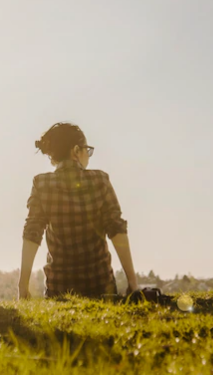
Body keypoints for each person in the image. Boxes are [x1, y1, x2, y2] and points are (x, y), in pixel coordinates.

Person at [18, 123, 138, 299]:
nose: (88, 157)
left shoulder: (41, 184)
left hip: (59, 290)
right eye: (87, 151)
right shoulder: (100, 180)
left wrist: (23, 285)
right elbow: (117, 229)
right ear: (76, 151)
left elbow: (32, 233)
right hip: (101, 287)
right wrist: (133, 283)